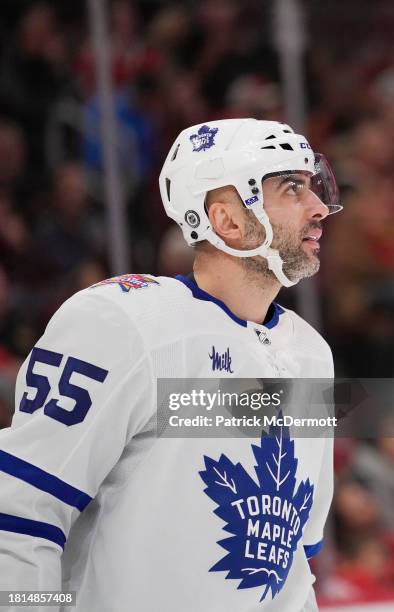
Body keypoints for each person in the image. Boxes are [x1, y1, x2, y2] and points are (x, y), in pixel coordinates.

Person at [0, 119, 341, 611]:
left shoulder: (310, 354)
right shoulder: (121, 323)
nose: (318, 208)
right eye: (292, 189)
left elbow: (292, 563)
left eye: (313, 188)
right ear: (225, 221)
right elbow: (21, 512)